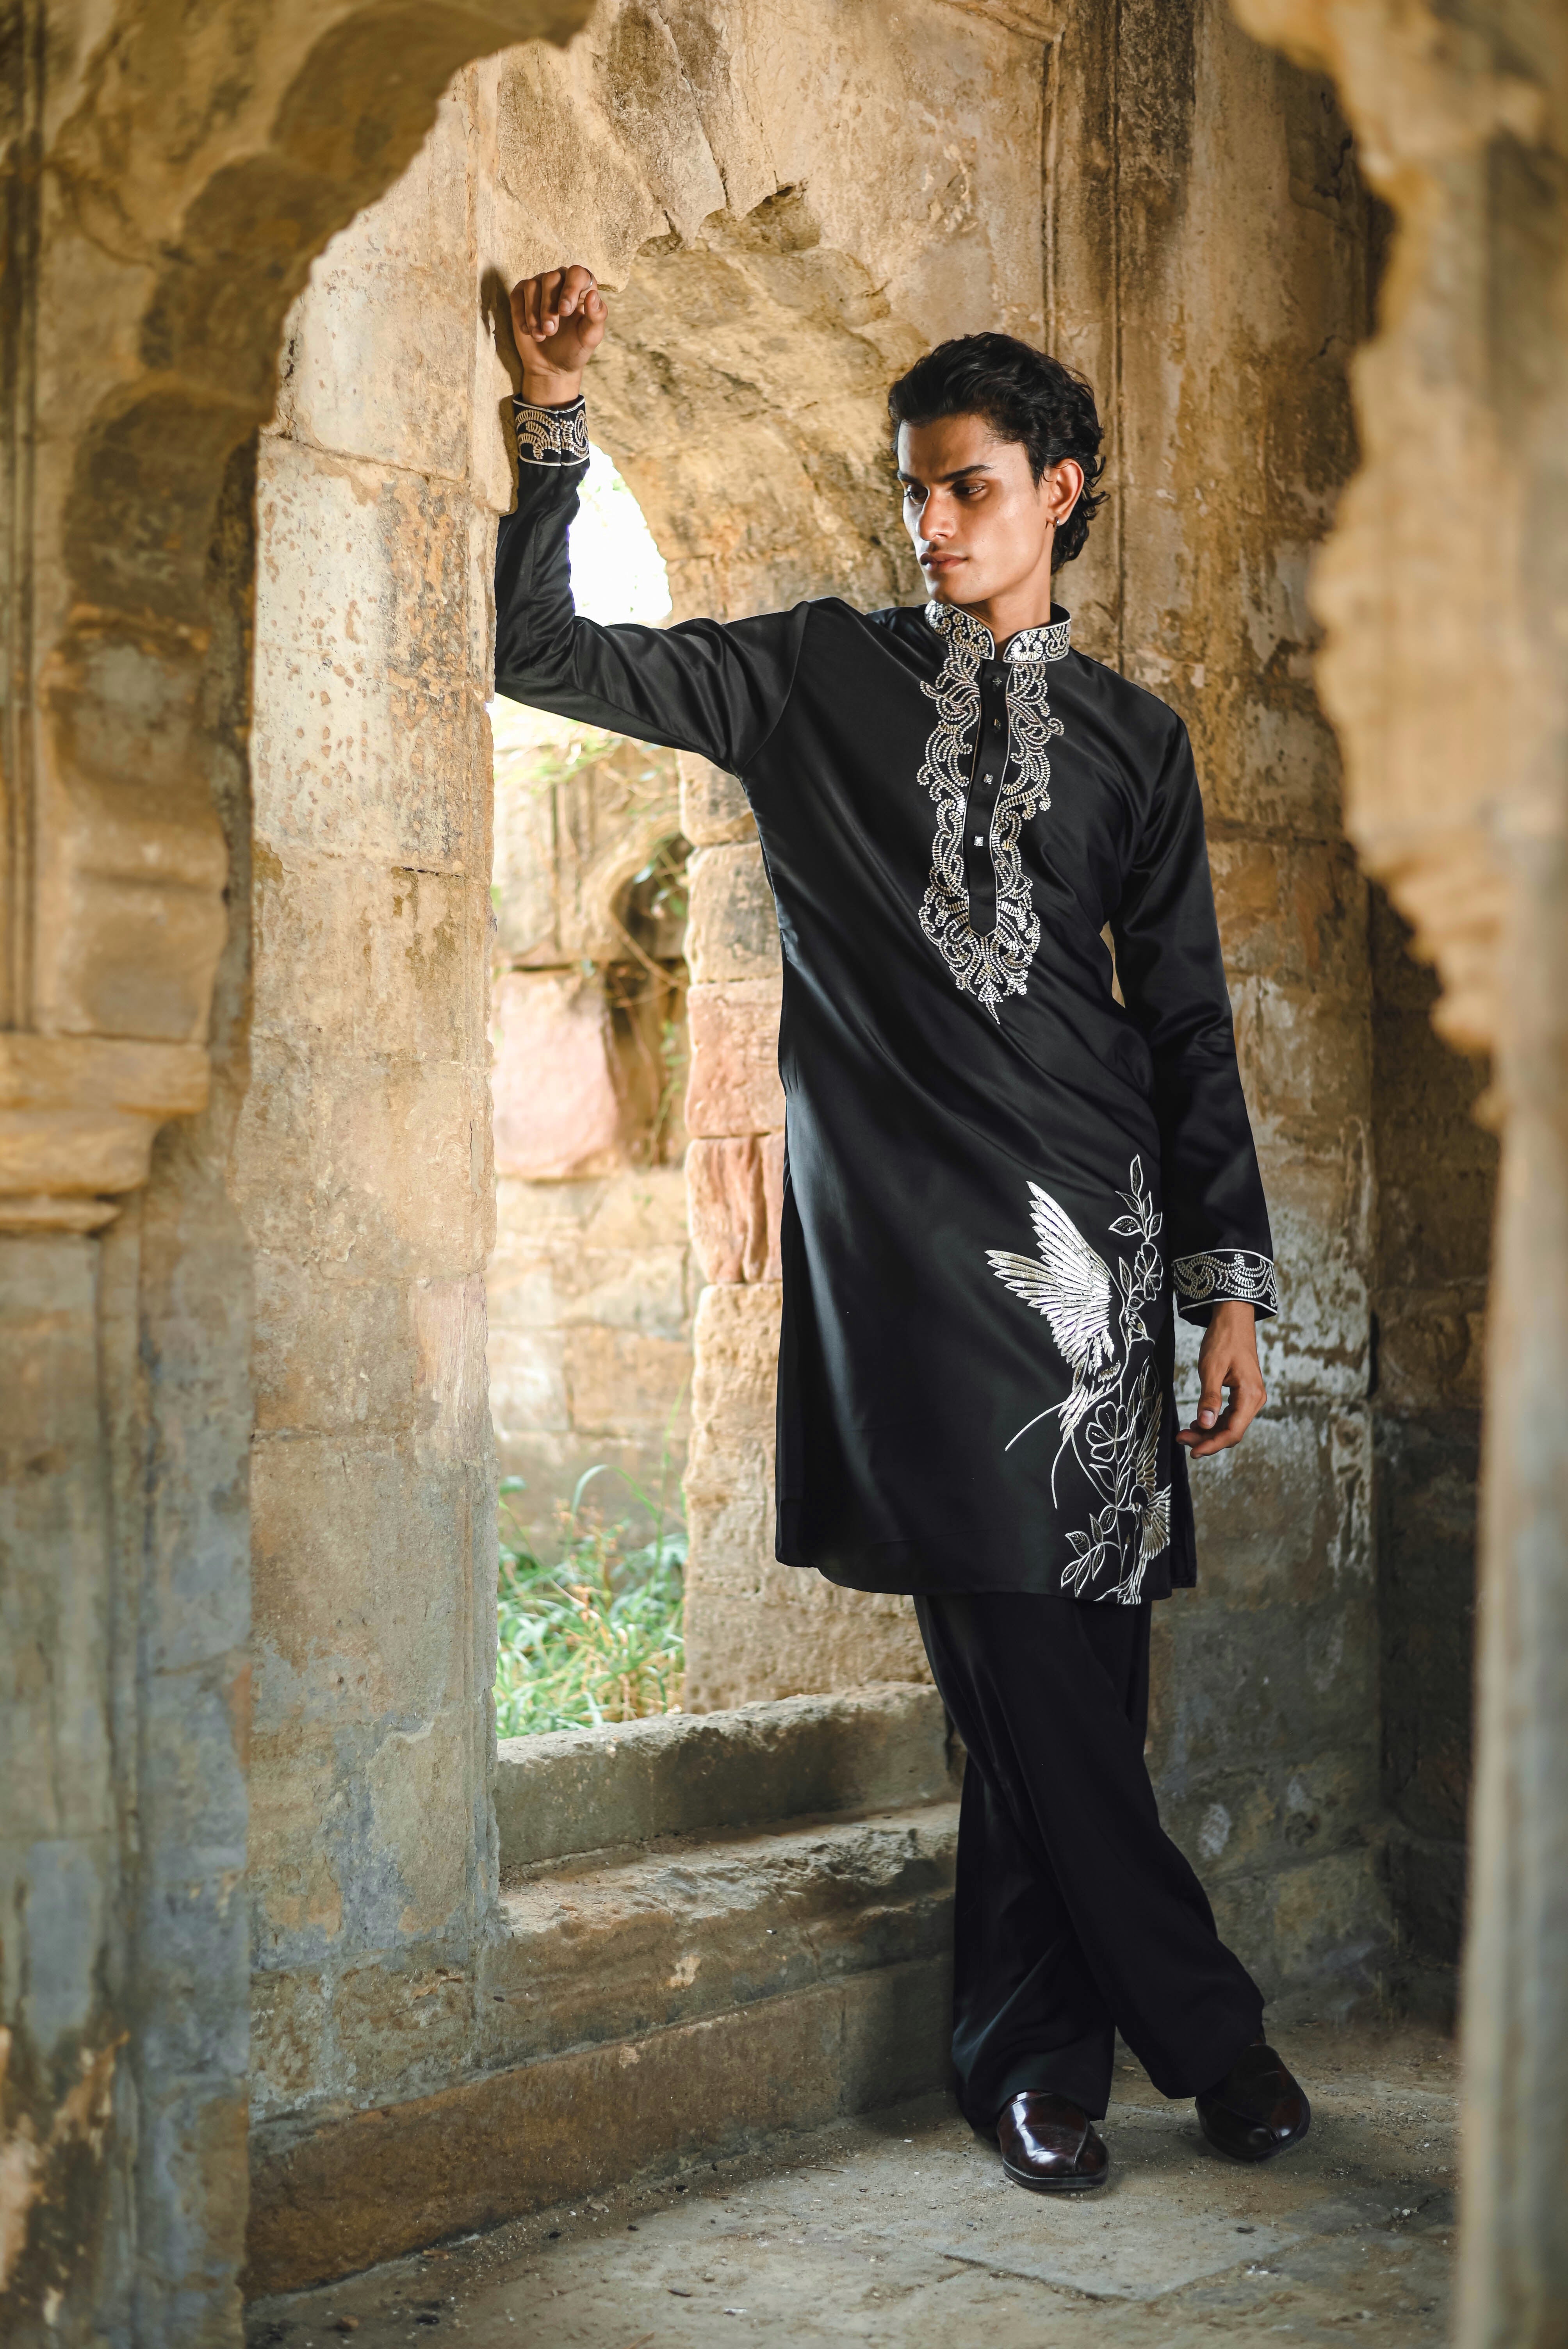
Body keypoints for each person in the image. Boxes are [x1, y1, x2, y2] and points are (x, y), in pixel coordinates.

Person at [494, 264, 1312, 2192]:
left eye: (966, 488)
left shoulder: (1134, 741)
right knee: (1018, 1647)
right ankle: (1209, 2033)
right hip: (913, 1269)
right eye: (912, 491)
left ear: (1058, 491)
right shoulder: (807, 675)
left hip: (1097, 1250)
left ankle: (1033, 2069)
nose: (929, 523)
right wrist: (552, 425)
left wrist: (1223, 1285)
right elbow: (540, 653)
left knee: (1071, 1679)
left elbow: (1184, 1026)